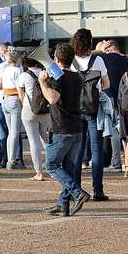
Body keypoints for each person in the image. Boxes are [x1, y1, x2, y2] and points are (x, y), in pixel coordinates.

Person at [39, 43, 90, 217]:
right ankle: (63, 204)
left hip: (61, 127)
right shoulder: (77, 77)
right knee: (68, 168)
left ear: (56, 59)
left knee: (51, 165)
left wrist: (42, 83)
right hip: (76, 127)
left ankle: (77, 193)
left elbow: (52, 99)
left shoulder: (58, 78)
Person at [70, 29, 110, 201]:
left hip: (75, 110)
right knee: (96, 150)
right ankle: (98, 190)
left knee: (77, 151)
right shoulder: (98, 60)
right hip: (94, 110)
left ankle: (76, 189)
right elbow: (106, 84)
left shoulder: (70, 61)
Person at [97, 39, 128, 172]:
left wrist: (100, 49)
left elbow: (87, 55)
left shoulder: (104, 57)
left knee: (113, 132)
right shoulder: (125, 60)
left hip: (109, 97)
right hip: (123, 97)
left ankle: (116, 162)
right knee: (123, 130)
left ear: (108, 47)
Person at [0, 43, 24, 169]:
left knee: (11, 132)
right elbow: (20, 88)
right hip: (14, 99)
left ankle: (10, 159)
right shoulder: (17, 70)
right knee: (15, 132)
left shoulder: (5, 69)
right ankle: (12, 160)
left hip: (5, 100)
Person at [18, 57, 48, 180]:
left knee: (33, 142)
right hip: (45, 110)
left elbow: (21, 95)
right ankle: (53, 167)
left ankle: (39, 172)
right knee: (46, 140)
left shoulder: (23, 75)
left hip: (28, 109)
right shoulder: (44, 73)